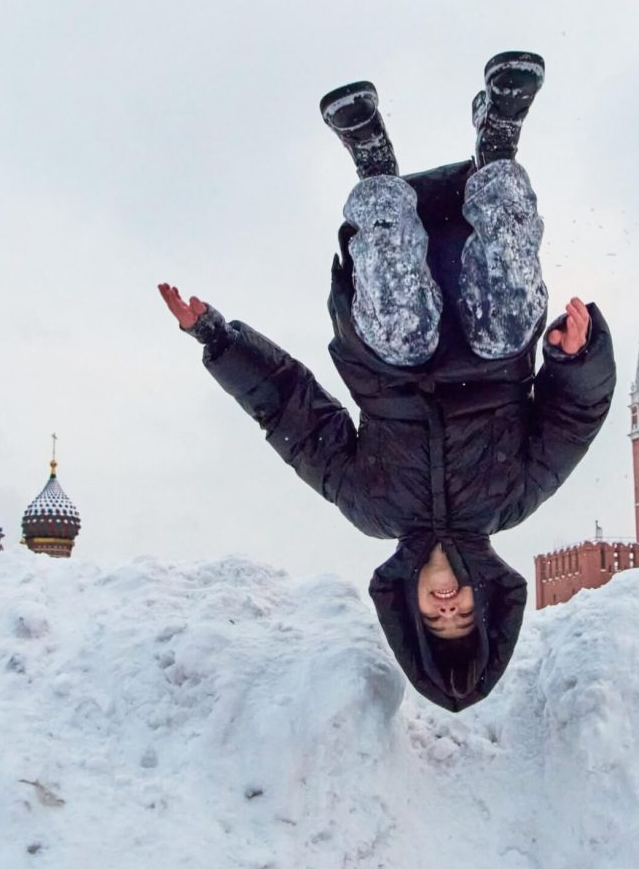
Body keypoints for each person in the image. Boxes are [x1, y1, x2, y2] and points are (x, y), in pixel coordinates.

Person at [158, 52, 616, 711]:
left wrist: (217, 338)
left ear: (412, 609)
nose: (448, 606)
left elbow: (292, 415)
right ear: (483, 597)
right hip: (489, 353)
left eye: (437, 620)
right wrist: (578, 356)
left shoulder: (371, 506)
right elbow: (576, 416)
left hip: (387, 347)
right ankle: (498, 148)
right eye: (464, 614)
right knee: (506, 327)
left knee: (405, 338)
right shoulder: (512, 498)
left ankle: (373, 161)